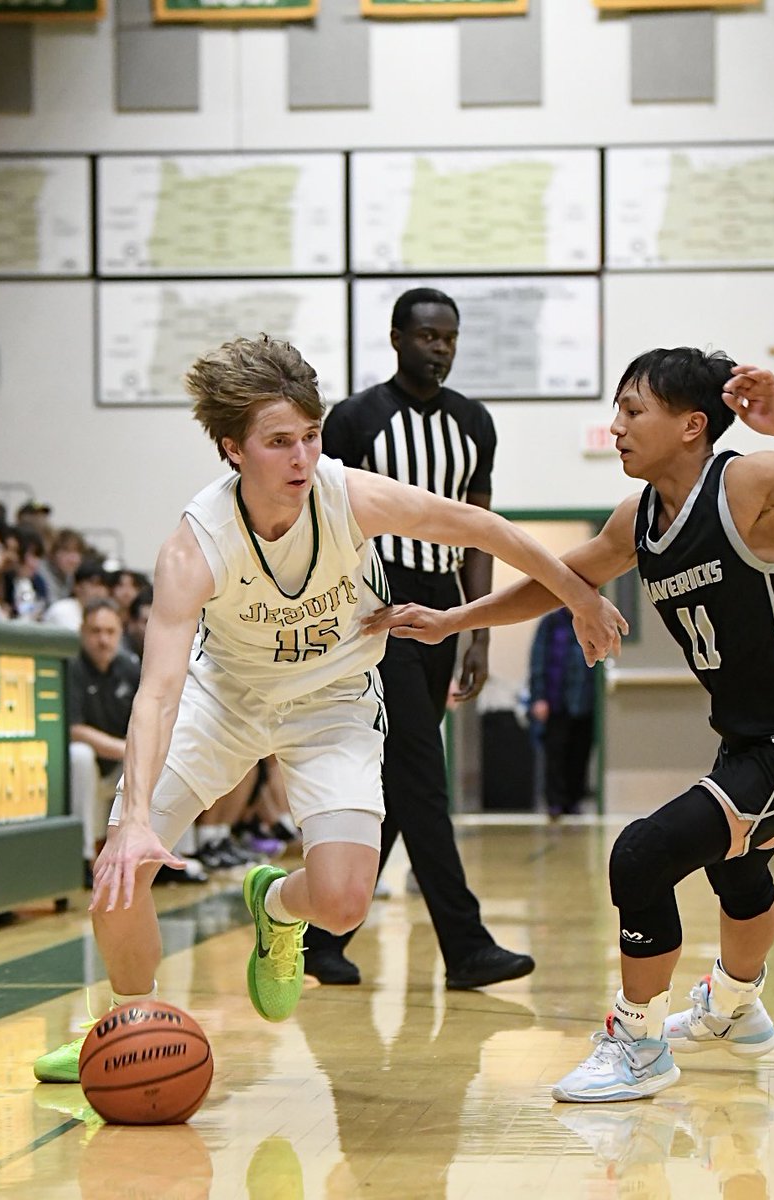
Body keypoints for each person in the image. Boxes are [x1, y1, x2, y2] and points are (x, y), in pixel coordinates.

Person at [32, 333, 624, 1085]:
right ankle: (123, 1029)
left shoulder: (349, 495)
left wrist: (580, 598)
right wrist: (137, 816)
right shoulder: (195, 545)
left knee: (343, 904)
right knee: (119, 874)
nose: (302, 459)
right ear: (231, 449)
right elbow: (158, 690)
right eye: (279, 442)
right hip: (227, 701)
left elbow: (488, 530)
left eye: (310, 437)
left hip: (334, 703)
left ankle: (276, 905)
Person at [364, 348, 774, 1104]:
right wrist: (452, 621)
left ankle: (639, 1041)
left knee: (641, 855)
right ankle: (735, 1007)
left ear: (691, 425)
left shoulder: (750, 482)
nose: (617, 427)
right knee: (737, 868)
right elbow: (559, 578)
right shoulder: (638, 519)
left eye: (634, 411)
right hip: (748, 739)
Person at [302, 287, 535, 991]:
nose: (440, 348)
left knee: (403, 785)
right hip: (378, 607)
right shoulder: (355, 419)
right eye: (429, 336)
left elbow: (478, 529)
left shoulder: (473, 423)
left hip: (442, 604)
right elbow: (328, 520)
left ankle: (319, 937)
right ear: (398, 337)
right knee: (423, 775)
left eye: (450, 338)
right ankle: (465, 946)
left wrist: (481, 629)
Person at [69, 599, 142, 882]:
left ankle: (143, 858)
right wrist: (126, 750)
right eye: (95, 631)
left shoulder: (130, 669)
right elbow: (74, 728)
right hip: (84, 765)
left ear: (120, 633)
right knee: (80, 755)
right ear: (82, 632)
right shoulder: (72, 667)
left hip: (117, 763)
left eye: (110, 632)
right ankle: (85, 859)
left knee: (160, 759)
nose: (103, 640)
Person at [528, 607, 596, 818]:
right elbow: (538, 659)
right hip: (556, 700)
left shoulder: (591, 618)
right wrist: (538, 696)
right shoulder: (551, 623)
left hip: (584, 699)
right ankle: (555, 802)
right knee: (556, 752)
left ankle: (574, 800)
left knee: (579, 752)